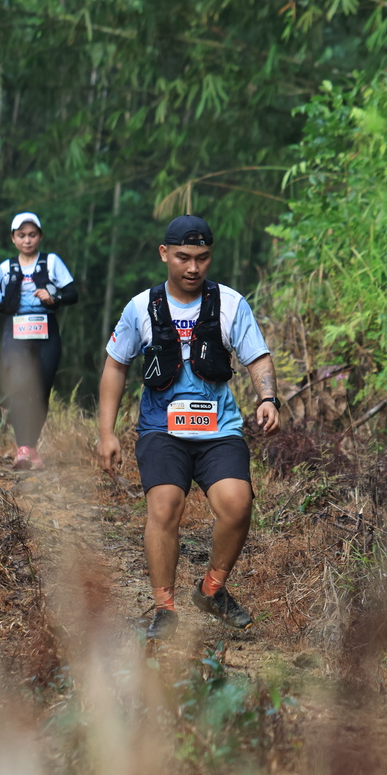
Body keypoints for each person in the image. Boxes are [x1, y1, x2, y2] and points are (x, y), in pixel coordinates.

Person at [98, 214, 280, 640]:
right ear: (165, 254)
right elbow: (115, 366)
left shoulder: (231, 304)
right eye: (183, 257)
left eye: (202, 257)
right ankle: (164, 609)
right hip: (161, 429)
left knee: (237, 504)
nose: (193, 267)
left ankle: (212, 589)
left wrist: (268, 399)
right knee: (165, 507)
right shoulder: (141, 308)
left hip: (219, 428)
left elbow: (257, 358)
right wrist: (106, 433)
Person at [0, 212, 78, 470]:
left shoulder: (51, 262)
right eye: (21, 235)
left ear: (40, 236)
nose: (27, 240)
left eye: (32, 235)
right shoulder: (6, 267)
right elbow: (3, 304)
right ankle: (23, 448)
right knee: (20, 387)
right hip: (16, 332)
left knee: (42, 390)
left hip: (47, 331)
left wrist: (54, 297)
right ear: (13, 238)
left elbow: (72, 293)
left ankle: (31, 447)